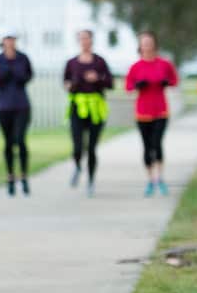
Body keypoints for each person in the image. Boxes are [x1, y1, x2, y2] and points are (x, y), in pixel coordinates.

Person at [125, 31, 178, 197]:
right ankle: (150, 180)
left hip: (161, 111)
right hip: (142, 113)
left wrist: (166, 83)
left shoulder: (164, 64)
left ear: (155, 44)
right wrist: (137, 86)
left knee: (157, 143)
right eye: (144, 42)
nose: (147, 45)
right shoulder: (135, 67)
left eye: (150, 42)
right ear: (140, 46)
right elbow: (128, 87)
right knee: (147, 147)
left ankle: (160, 178)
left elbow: (175, 81)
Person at [62, 29, 113, 197]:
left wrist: (97, 78)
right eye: (81, 38)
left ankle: (91, 181)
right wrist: (71, 85)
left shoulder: (99, 62)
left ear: (92, 40)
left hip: (96, 107)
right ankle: (77, 165)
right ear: (78, 41)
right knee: (77, 145)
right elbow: (65, 83)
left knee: (91, 147)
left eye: (87, 38)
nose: (84, 41)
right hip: (78, 107)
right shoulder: (71, 63)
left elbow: (110, 82)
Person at [0, 32, 34, 196]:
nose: (10, 42)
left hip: (22, 105)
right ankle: (10, 176)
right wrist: (4, 76)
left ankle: (24, 176)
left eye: (13, 39)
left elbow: (29, 76)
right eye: (7, 39)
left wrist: (18, 75)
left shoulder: (23, 58)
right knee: (8, 142)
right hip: (5, 106)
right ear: (3, 42)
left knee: (20, 140)